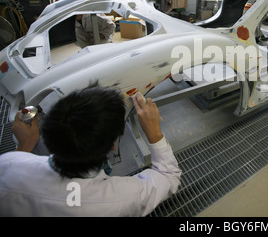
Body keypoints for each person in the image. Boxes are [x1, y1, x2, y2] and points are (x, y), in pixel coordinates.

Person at [0, 82, 181, 216]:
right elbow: (169, 177)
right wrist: (155, 133)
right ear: (113, 145)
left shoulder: (7, 163)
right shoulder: (124, 198)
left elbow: (15, 170)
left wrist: (25, 145)